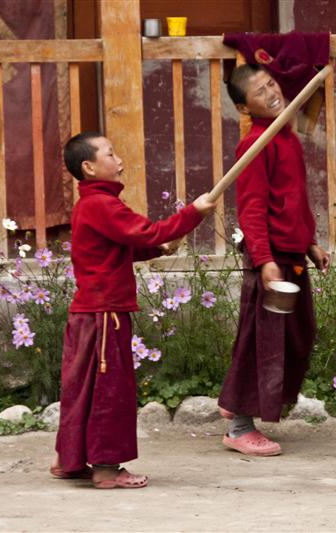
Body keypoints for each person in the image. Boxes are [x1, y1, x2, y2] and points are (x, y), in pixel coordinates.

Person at [50, 132, 215, 488]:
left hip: (90, 313)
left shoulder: (90, 206)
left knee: (83, 389)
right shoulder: (102, 205)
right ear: (89, 167)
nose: (119, 160)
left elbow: (120, 247)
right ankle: (107, 468)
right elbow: (147, 232)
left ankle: (72, 461)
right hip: (105, 314)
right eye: (110, 154)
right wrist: (194, 213)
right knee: (110, 391)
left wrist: (157, 249)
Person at [217, 64, 330, 456]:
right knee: (261, 342)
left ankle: (235, 402)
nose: (271, 93)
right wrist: (264, 259)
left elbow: (293, 202)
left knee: (299, 335)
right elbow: (251, 209)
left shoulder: (287, 138)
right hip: (270, 260)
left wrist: (310, 244)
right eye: (259, 92)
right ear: (243, 107)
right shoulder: (254, 144)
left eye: (271, 84)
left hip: (291, 253)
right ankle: (239, 426)